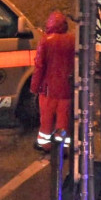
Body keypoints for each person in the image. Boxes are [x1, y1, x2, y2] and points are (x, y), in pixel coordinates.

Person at [30, 10, 75, 153]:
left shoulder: (45, 41)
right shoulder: (73, 40)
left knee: (46, 119)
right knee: (63, 119)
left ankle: (45, 144)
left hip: (48, 89)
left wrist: (34, 87)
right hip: (67, 89)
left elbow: (39, 67)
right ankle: (63, 148)